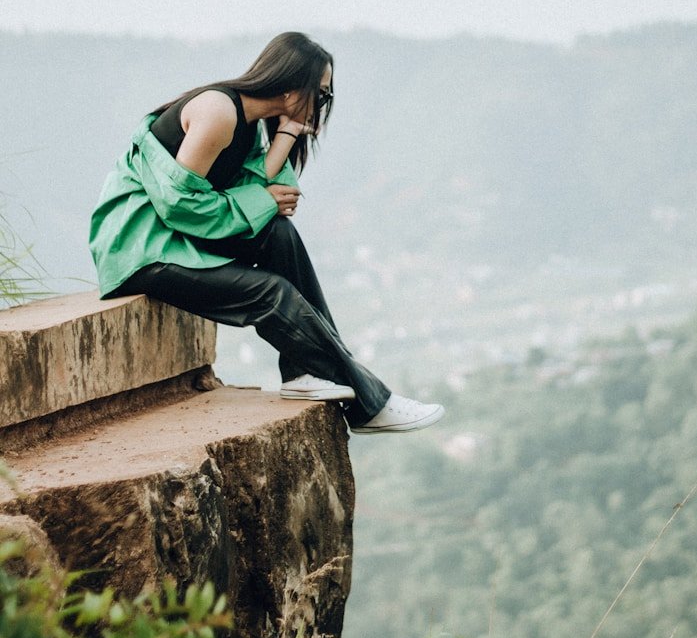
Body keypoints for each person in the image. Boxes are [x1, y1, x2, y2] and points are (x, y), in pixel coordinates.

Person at [89, 31, 444, 434]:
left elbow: (269, 190)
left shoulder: (251, 123)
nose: (324, 104)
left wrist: (288, 132)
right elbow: (179, 204)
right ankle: (369, 403)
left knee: (280, 234)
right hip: (142, 249)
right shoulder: (217, 112)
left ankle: (301, 374)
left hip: (179, 242)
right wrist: (265, 200)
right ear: (294, 88)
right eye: (322, 93)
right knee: (271, 291)